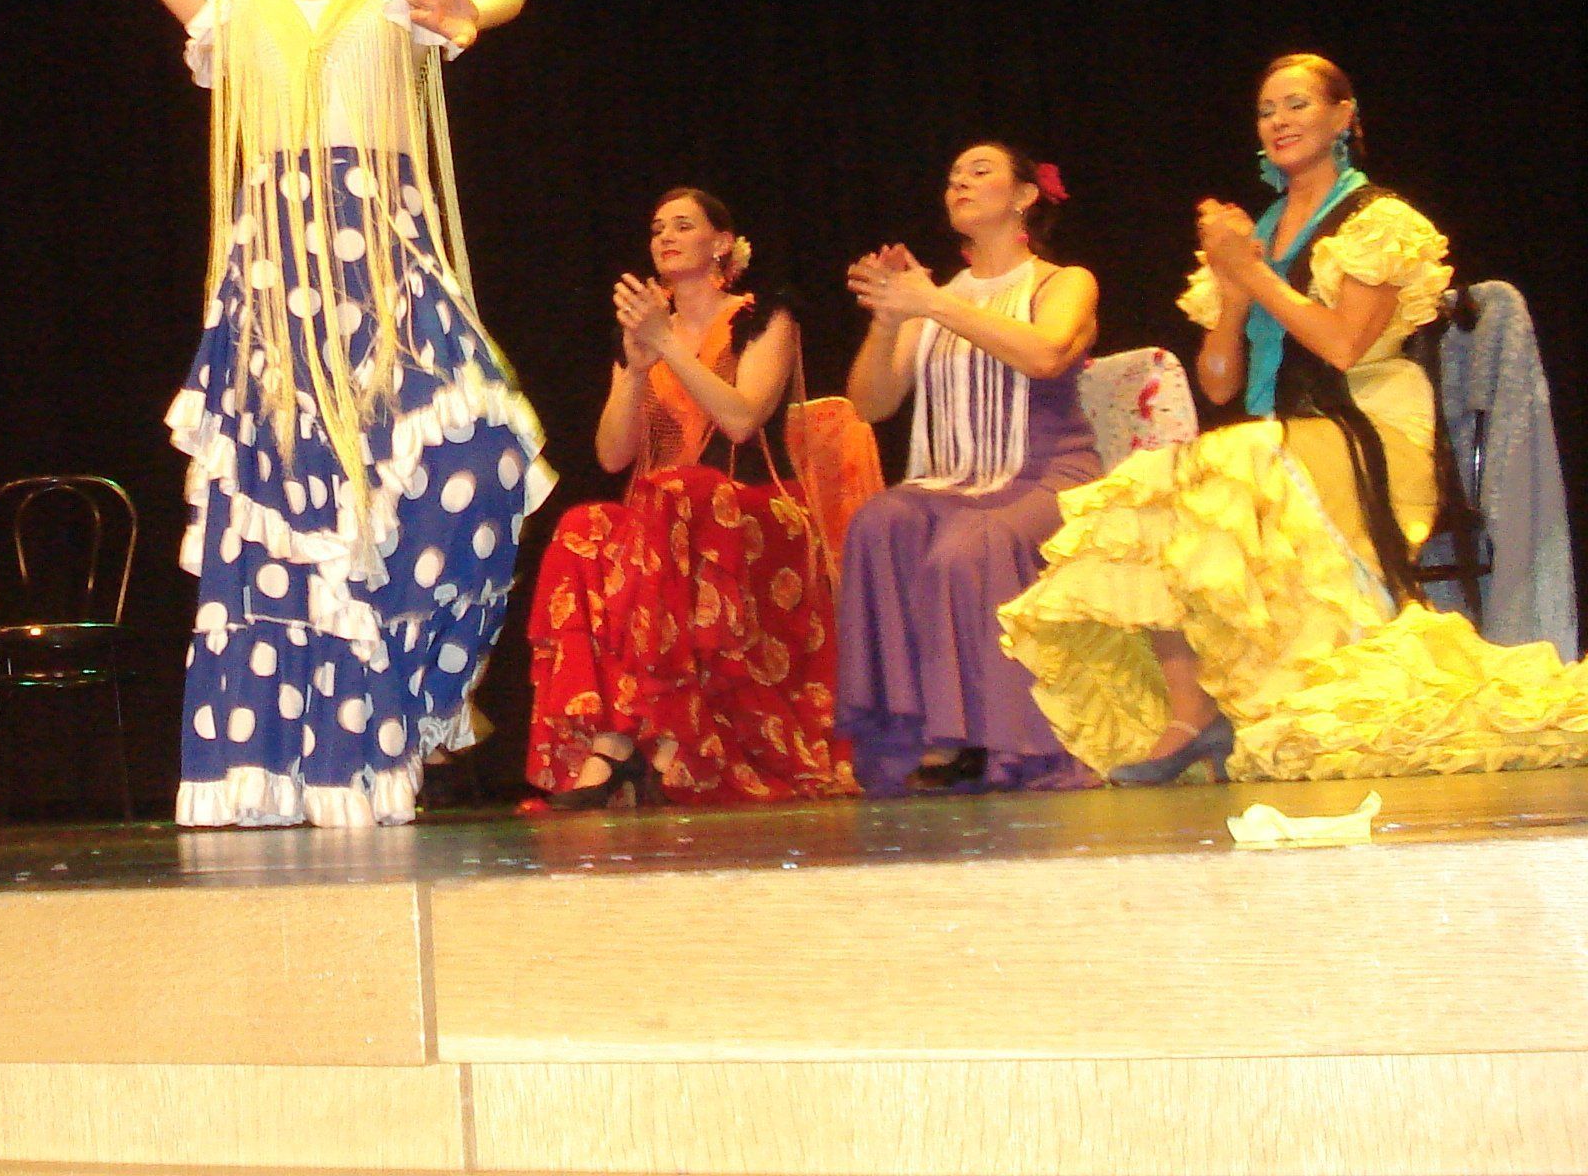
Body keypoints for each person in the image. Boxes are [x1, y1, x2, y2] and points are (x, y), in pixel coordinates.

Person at [88, 0, 549, 826]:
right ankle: (320, 753)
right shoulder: (226, 1)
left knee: (485, 449)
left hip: (385, 270)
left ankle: (420, 695)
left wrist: (468, 7)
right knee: (297, 527)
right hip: (277, 291)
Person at [1000, 54, 1588, 782]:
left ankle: (1266, 694)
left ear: (1343, 116)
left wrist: (1252, 272)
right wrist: (1232, 289)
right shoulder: (1262, 231)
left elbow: (1343, 347)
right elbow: (1219, 383)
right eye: (1266, 110)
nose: (1278, 120)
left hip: (1370, 426)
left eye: (1297, 104)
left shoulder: (1378, 220)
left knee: (1217, 472)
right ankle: (1193, 710)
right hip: (1280, 436)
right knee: (1151, 491)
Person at [522, 189, 848, 806]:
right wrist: (637, 366)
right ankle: (617, 737)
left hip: (750, 510)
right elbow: (611, 456)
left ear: (721, 243)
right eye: (657, 229)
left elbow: (742, 420)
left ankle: (656, 742)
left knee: (683, 491)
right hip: (665, 519)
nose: (665, 237)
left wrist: (668, 344)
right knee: (584, 524)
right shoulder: (643, 332)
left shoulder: (763, 316)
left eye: (682, 225)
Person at [832, 145, 1102, 795]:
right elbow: (870, 404)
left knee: (969, 547)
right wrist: (890, 321)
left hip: (1047, 472)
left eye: (980, 172)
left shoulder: (1063, 282)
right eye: (953, 176)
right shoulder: (938, 299)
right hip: (962, 481)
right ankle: (910, 733)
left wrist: (930, 302)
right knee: (880, 522)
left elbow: (1045, 355)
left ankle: (989, 738)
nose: (960, 182)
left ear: (1025, 195)